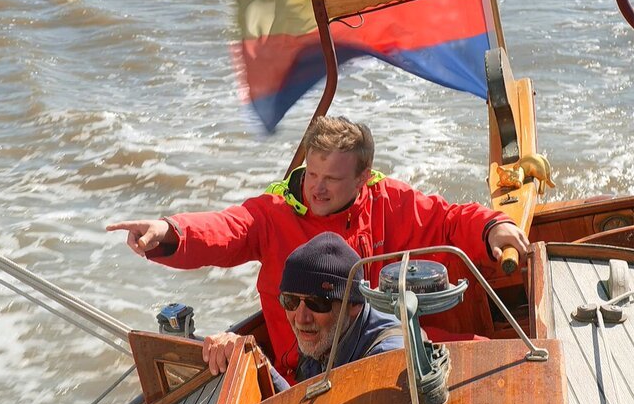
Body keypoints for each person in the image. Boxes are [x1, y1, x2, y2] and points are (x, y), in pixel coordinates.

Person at [106, 115, 528, 382]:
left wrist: (494, 226)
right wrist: (169, 231)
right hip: (306, 365)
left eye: (332, 178)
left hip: (377, 338)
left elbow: (449, 219)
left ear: (363, 178)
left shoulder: (388, 201)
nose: (317, 187)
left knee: (499, 362)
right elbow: (225, 229)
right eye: (312, 172)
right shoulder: (272, 213)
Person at [202, 232, 404, 390]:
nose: (301, 317)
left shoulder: (387, 360)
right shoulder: (324, 334)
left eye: (317, 303)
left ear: (354, 305)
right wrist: (254, 361)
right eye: (289, 301)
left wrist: (264, 371)